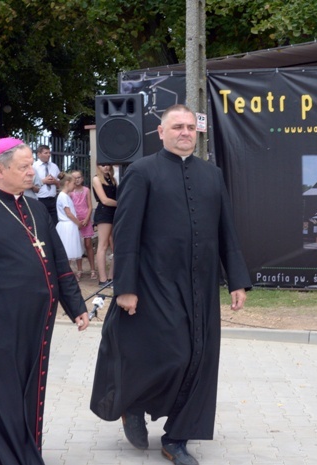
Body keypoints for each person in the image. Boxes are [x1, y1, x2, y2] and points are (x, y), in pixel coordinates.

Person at [90, 104, 252, 465]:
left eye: (191, 127)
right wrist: (125, 286)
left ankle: (177, 438)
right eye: (177, 126)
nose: (185, 132)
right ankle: (132, 405)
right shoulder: (142, 172)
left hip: (202, 284)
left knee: (201, 358)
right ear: (160, 133)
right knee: (171, 354)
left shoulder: (212, 174)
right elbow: (127, 232)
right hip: (155, 281)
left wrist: (237, 279)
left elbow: (227, 231)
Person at [0, 138, 90, 465]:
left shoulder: (36, 207)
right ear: (0, 169)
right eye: (24, 167)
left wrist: (76, 306)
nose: (32, 173)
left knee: (2, 390)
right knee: (4, 393)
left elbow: (58, 262)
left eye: (31, 165)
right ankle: (15, 456)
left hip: (36, 324)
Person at [91, 162, 117, 286]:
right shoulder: (96, 179)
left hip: (115, 212)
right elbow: (105, 200)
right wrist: (121, 203)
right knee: (103, 245)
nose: (106, 167)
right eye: (102, 165)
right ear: (98, 166)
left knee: (116, 246)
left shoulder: (112, 179)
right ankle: (102, 279)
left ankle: (111, 277)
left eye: (108, 165)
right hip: (104, 212)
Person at [69, 169, 96, 280]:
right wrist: (76, 221)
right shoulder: (70, 192)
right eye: (74, 178)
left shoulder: (86, 190)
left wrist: (87, 219)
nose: (77, 179)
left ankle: (93, 269)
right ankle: (79, 270)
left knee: (88, 245)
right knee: (77, 246)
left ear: (82, 178)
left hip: (86, 220)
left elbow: (90, 206)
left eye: (79, 177)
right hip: (76, 221)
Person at [55, 172, 83, 266]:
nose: (75, 186)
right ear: (67, 183)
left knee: (69, 251)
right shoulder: (63, 196)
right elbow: (68, 213)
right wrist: (78, 223)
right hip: (67, 226)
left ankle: (68, 271)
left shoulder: (65, 196)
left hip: (69, 225)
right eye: (73, 183)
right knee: (67, 250)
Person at [33, 144, 60, 225]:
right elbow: (30, 184)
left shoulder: (54, 166)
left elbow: (60, 185)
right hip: (40, 200)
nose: (48, 155)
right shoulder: (34, 167)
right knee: (42, 224)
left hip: (52, 200)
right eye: (46, 153)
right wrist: (44, 181)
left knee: (54, 224)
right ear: (39, 154)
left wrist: (55, 181)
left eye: (49, 153)